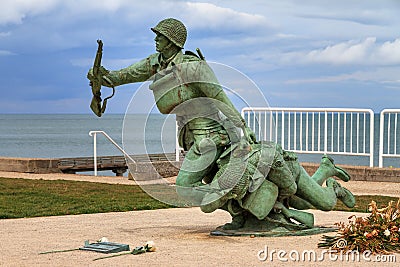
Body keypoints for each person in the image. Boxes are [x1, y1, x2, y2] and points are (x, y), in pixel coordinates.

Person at [87, 18, 255, 205]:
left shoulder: (194, 67)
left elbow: (219, 97)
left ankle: (236, 198)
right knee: (209, 182)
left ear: (172, 40)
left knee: (185, 186)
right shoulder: (155, 63)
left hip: (210, 134)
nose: (156, 39)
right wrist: (102, 77)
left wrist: (242, 126)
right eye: (156, 35)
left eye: (160, 35)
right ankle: (239, 210)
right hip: (187, 135)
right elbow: (123, 76)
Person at [200, 139, 355, 230]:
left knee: (325, 203)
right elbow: (212, 202)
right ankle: (325, 168)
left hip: (288, 171)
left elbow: (290, 188)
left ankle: (334, 188)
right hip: (266, 181)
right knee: (302, 203)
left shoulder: (267, 159)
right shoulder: (224, 172)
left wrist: (277, 203)